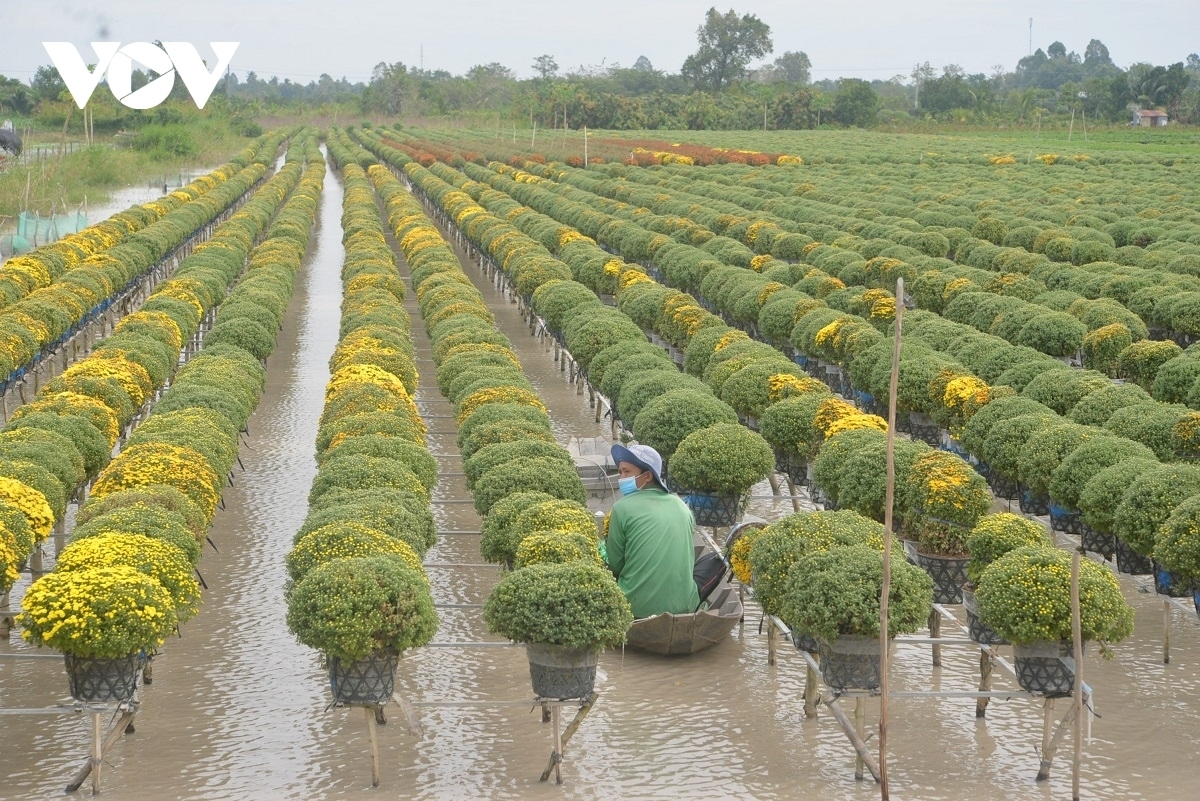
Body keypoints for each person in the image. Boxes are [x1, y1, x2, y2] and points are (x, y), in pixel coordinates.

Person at [603, 443, 700, 619]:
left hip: (635, 608)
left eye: (627, 472)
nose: (622, 478)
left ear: (647, 476)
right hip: (685, 606)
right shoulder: (682, 506)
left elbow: (614, 565)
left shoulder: (621, 509)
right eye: (620, 472)